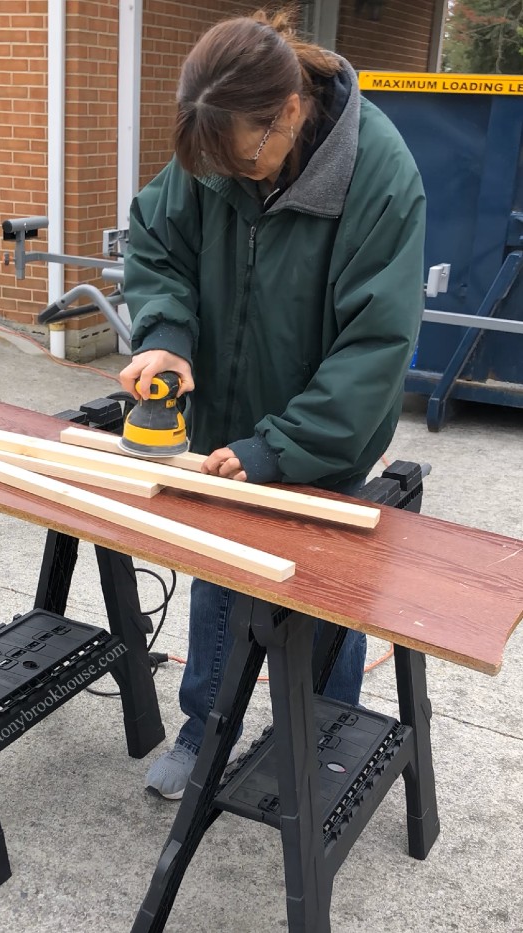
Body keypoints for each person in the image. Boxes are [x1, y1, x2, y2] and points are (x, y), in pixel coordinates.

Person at [119, 9, 426, 800]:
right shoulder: (226, 143)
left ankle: (320, 736)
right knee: (220, 579)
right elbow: (157, 239)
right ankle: (205, 727)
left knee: (323, 593)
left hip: (323, 439)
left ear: (289, 111)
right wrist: (167, 332)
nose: (236, 176)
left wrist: (281, 448)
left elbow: (376, 348)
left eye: (246, 160)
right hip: (224, 416)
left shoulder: (379, 175)